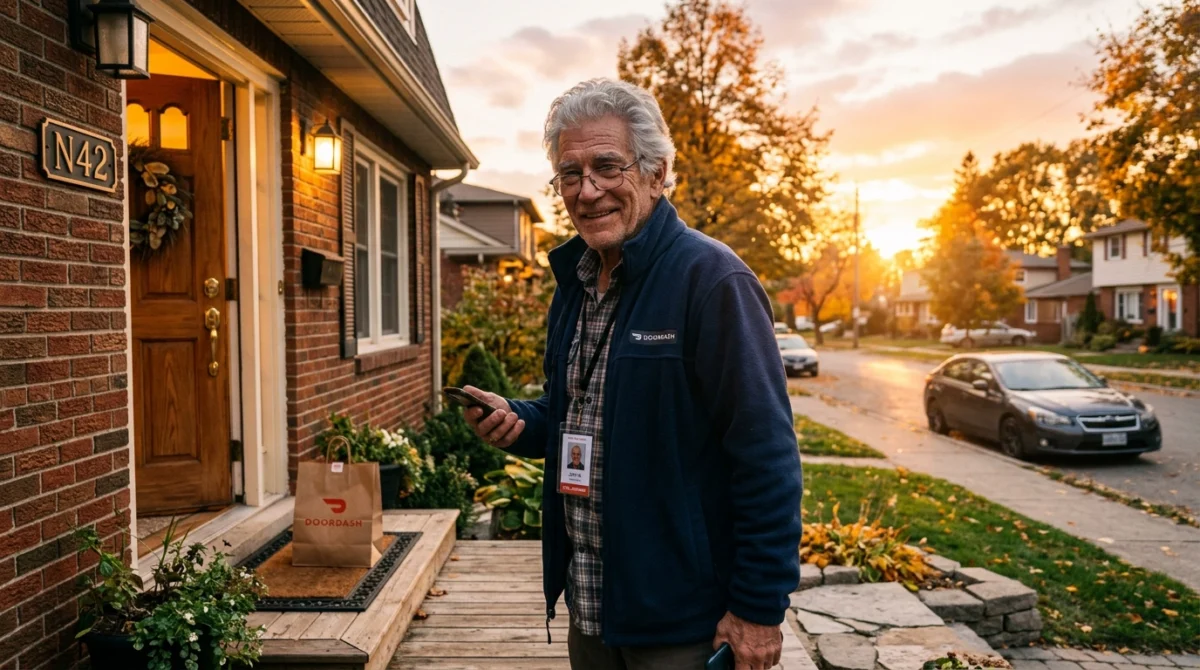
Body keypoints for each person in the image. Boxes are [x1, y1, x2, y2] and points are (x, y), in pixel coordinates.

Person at [461, 78, 802, 670]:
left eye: (606, 167)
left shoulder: (713, 280)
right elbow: (580, 413)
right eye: (570, 174)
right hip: (591, 607)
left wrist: (758, 607)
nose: (587, 191)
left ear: (656, 173)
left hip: (683, 624)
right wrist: (521, 421)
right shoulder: (575, 283)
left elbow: (767, 456)